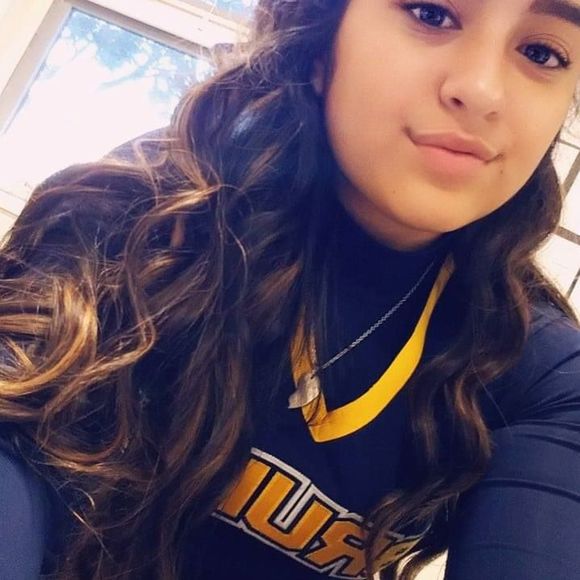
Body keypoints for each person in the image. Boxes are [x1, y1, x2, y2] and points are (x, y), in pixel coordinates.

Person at [0, 0, 579, 578]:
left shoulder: (544, 375)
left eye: (542, 53)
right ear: (322, 39)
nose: (481, 91)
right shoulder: (140, 218)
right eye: (430, 14)